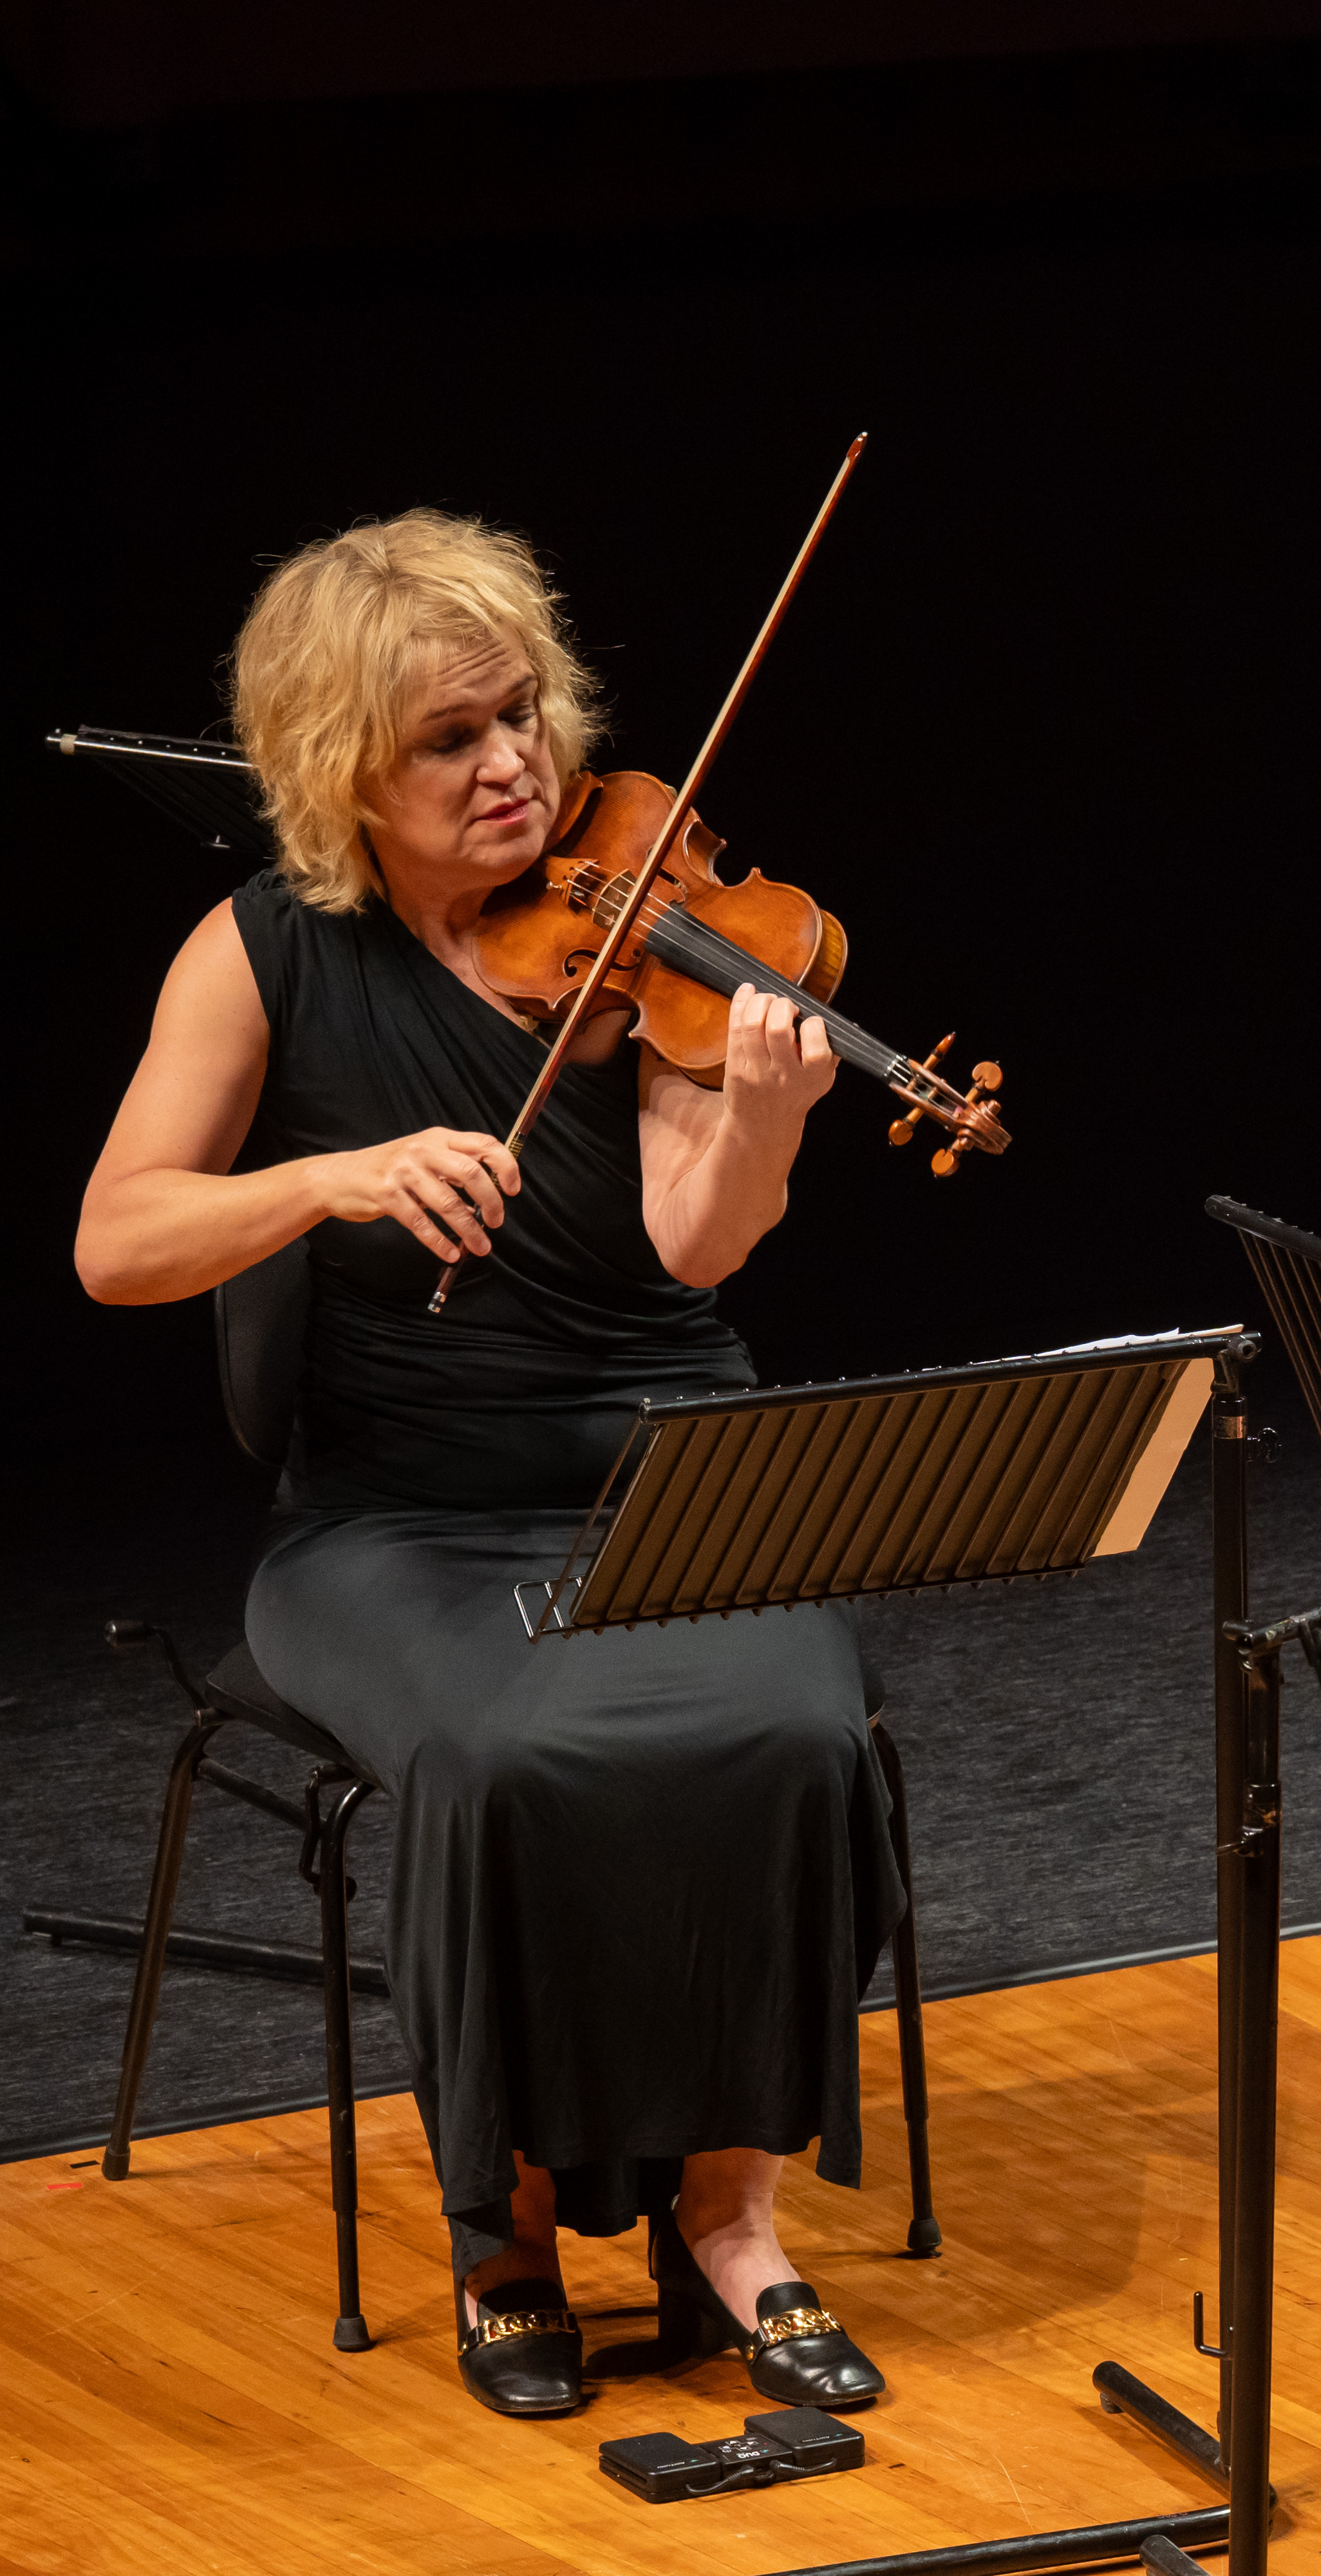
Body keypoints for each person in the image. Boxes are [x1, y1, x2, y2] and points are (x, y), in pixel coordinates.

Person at [72, 512, 899, 2422]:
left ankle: (731, 2219)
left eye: (521, 712)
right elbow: (117, 1241)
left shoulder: (649, 926)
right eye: (450, 737)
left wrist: (766, 1122)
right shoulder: (261, 950)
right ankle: (506, 2234)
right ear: (341, 768)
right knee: (508, 1761)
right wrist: (330, 1178)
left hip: (668, 1475)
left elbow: (693, 1242)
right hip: (393, 1521)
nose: (514, 762)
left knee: (791, 1733)